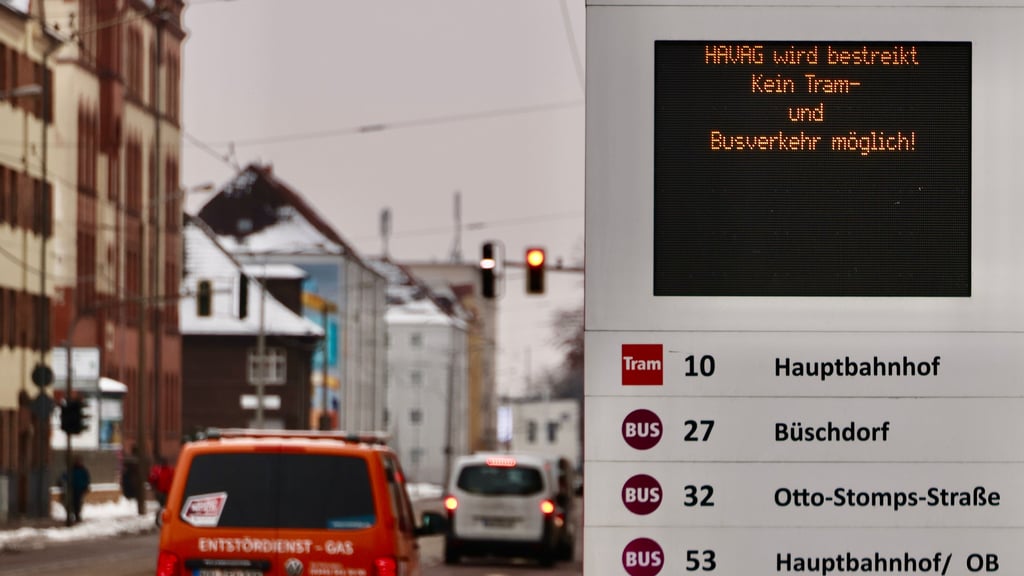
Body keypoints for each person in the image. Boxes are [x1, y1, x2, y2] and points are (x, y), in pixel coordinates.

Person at [60, 456, 91, 524]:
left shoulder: (83, 470)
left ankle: (77, 515)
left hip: (79, 489)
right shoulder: (72, 470)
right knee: (71, 503)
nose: (79, 463)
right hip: (72, 489)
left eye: (79, 461)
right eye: (78, 461)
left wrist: (86, 487)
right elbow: (64, 477)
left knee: (78, 503)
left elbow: (87, 479)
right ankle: (73, 515)